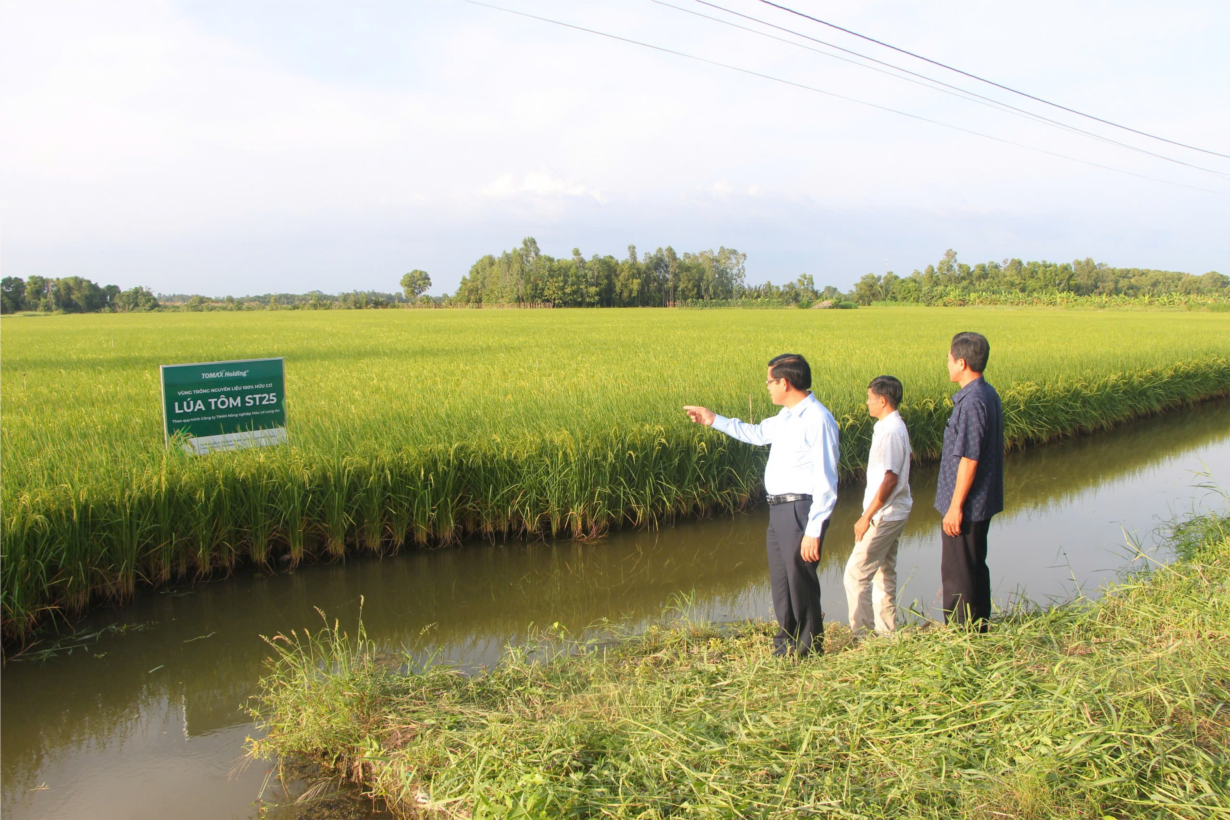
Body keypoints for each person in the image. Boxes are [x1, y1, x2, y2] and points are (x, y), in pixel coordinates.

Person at [684, 354, 839, 657]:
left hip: (801, 509)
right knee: (782, 581)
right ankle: (786, 644)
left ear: (785, 382)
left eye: (770, 381)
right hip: (779, 510)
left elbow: (826, 479)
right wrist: (713, 419)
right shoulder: (787, 416)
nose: (767, 387)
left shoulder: (817, 419)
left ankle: (809, 650)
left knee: (800, 580)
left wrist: (814, 529)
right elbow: (754, 433)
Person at [935, 331, 1004, 632]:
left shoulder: (973, 401)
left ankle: (962, 638)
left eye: (949, 359)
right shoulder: (986, 393)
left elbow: (970, 458)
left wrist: (955, 507)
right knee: (974, 565)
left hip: (967, 505)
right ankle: (979, 629)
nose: (947, 364)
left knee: (958, 573)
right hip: (976, 502)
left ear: (961, 362)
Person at [843, 375, 912, 639]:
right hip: (894, 511)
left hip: (885, 514)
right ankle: (887, 634)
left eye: (870, 398)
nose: (867, 402)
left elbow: (891, 478)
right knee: (884, 572)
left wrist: (866, 517)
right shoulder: (888, 426)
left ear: (882, 401)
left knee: (855, 574)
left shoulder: (892, 431)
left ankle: (862, 637)